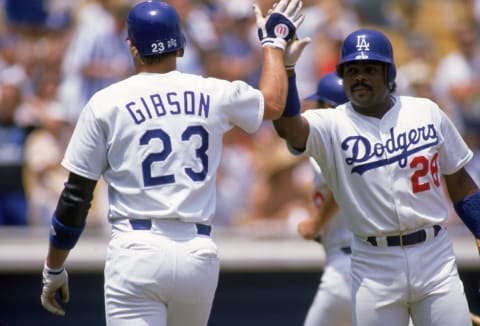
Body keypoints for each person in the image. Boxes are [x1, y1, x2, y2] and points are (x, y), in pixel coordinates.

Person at [39, 0, 304, 325]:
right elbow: (275, 102)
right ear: (179, 46)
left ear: (132, 47)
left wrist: (54, 266)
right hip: (197, 252)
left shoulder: (106, 102)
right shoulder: (212, 91)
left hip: (137, 249)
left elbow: (75, 198)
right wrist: (273, 44)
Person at [273, 28, 480, 326]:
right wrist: (287, 72)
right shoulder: (331, 123)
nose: (360, 77)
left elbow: (460, 182)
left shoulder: (426, 112)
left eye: (370, 68)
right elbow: (288, 128)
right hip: (374, 264)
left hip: (434, 256)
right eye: (352, 70)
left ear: (388, 73)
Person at [296, 72, 353, 326]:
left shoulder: (332, 144)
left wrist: (316, 224)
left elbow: (343, 185)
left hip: (347, 266)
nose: (313, 108)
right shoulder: (365, 144)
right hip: (375, 264)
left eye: (319, 104)